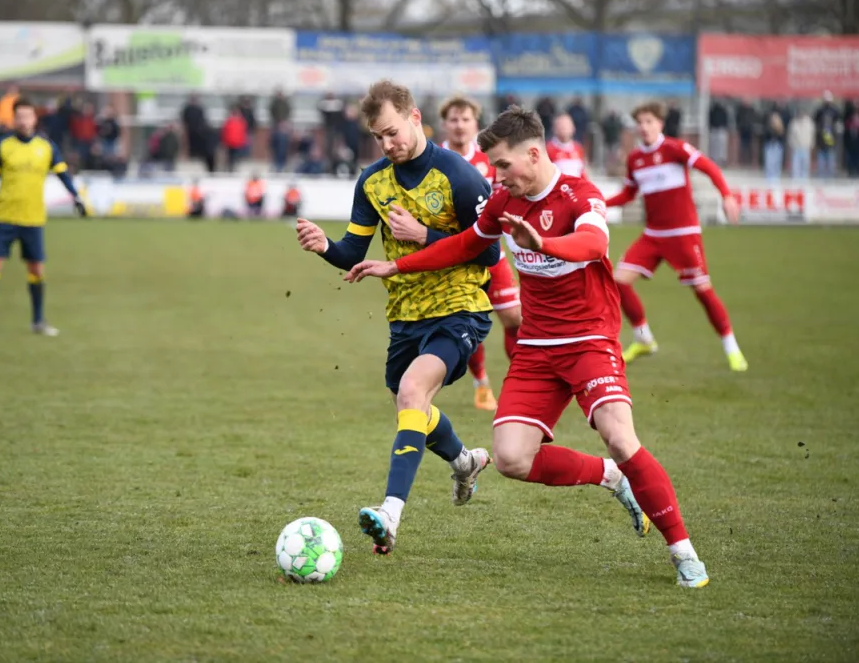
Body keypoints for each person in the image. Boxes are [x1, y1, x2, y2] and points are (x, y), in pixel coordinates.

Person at [346, 107, 710, 589]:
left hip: (590, 341)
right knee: (513, 459)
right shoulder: (503, 202)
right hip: (537, 347)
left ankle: (683, 551)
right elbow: (464, 246)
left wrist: (544, 243)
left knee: (621, 438)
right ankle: (611, 478)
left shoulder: (581, 195)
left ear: (533, 154)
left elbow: (593, 245)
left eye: (501, 165)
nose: (496, 176)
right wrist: (396, 267)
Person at [295, 80, 500, 555]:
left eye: (392, 132)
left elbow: (489, 253)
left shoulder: (460, 176)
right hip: (405, 313)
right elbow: (353, 251)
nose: (388, 145)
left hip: (459, 307)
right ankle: (465, 461)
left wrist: (425, 235)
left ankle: (390, 512)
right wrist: (325, 247)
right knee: (411, 409)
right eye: (378, 137)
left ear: (414, 118)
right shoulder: (373, 181)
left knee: (412, 391)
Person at [605, 102, 747, 372]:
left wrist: (727, 195)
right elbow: (628, 195)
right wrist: (600, 201)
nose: (644, 127)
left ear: (660, 123)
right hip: (653, 235)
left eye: (649, 121)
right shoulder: (635, 159)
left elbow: (708, 167)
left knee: (702, 291)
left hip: (683, 234)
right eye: (640, 122)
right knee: (619, 280)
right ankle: (643, 338)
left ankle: (732, 348)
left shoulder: (675, 148)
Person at [0, 98, 87, 337]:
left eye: (27, 116)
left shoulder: (46, 147)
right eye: (19, 116)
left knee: (37, 270)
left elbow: (63, 174)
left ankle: (38, 321)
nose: (23, 121)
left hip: (33, 219)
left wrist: (76, 197)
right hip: (5, 217)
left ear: (34, 119)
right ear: (14, 119)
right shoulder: (3, 146)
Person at [438, 95, 521, 411]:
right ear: (445, 124)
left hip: (489, 251)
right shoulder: (434, 159)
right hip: (453, 258)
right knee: (469, 325)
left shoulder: (489, 159)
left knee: (514, 318)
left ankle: (518, 385)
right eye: (454, 120)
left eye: (466, 119)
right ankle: (482, 383)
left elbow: (505, 199)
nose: (459, 125)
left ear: (476, 123)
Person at [546, 112, 587, 178]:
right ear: (554, 128)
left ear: (573, 128)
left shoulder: (578, 148)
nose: (564, 128)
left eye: (567, 125)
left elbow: (583, 172)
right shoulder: (547, 149)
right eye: (561, 125)